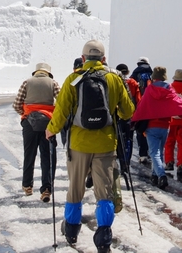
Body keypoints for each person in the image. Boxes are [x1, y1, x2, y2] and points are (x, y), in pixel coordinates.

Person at [45, 40, 135, 252]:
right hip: (106, 144)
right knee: (104, 192)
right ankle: (103, 236)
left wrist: (51, 129)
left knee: (75, 188)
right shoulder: (114, 79)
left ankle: (72, 229)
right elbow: (127, 112)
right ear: (103, 59)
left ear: (83, 59)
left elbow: (61, 113)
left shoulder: (73, 79)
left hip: (78, 144)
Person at [132, 66, 182, 189]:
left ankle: (161, 176)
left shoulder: (150, 89)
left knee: (154, 153)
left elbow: (142, 105)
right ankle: (155, 175)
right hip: (165, 126)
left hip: (151, 126)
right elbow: (178, 102)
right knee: (159, 152)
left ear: (154, 77)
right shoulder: (169, 89)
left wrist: (134, 119)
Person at [12, 62, 60, 202]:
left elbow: (16, 105)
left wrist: (26, 114)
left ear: (36, 72)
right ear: (48, 73)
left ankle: (27, 186)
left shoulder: (27, 82)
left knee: (29, 154)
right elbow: (62, 101)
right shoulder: (53, 83)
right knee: (47, 157)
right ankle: (46, 189)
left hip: (29, 123)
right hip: (48, 124)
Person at [130, 57, 153, 165]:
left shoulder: (134, 75)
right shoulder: (153, 75)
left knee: (140, 129)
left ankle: (143, 154)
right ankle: (150, 152)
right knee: (150, 129)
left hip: (139, 106)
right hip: (150, 107)